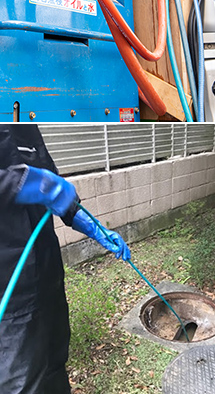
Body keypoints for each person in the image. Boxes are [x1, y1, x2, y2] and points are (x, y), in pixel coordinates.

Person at [0, 124, 131, 394]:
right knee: (21, 384)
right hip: (9, 297)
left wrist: (91, 225)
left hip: (47, 279)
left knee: (55, 363)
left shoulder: (23, 117)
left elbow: (49, 179)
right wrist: (18, 183)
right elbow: (35, 184)